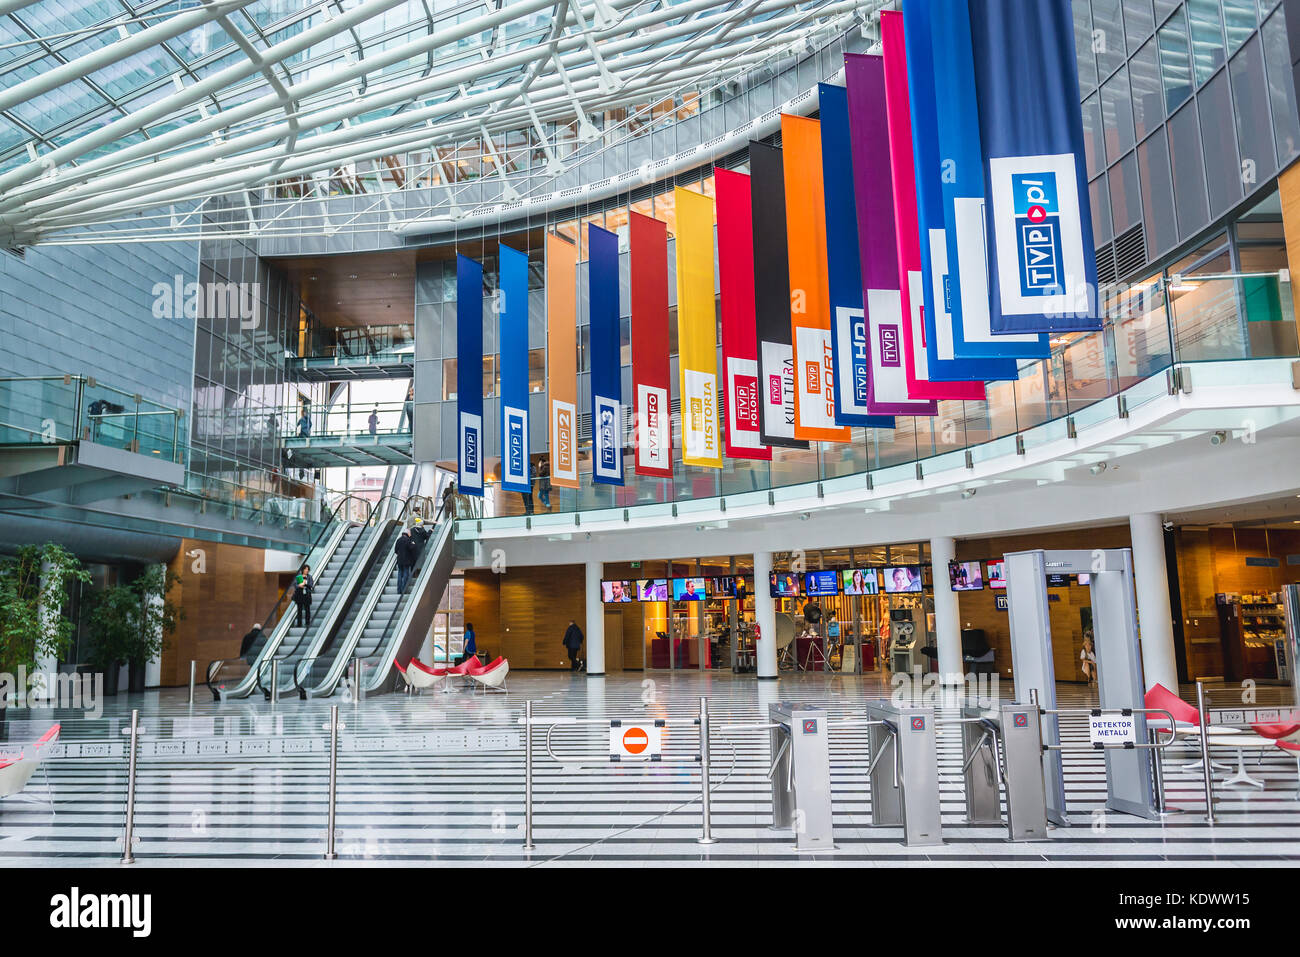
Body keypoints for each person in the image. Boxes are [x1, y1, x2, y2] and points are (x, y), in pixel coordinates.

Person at [394, 527, 417, 593]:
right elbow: (411, 548)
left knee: (400, 574)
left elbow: (395, 551)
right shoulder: (408, 540)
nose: (410, 534)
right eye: (410, 533)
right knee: (405, 574)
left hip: (400, 561)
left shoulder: (398, 540)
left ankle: (399, 590)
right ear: (407, 533)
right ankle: (403, 589)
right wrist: (413, 544)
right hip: (406, 561)